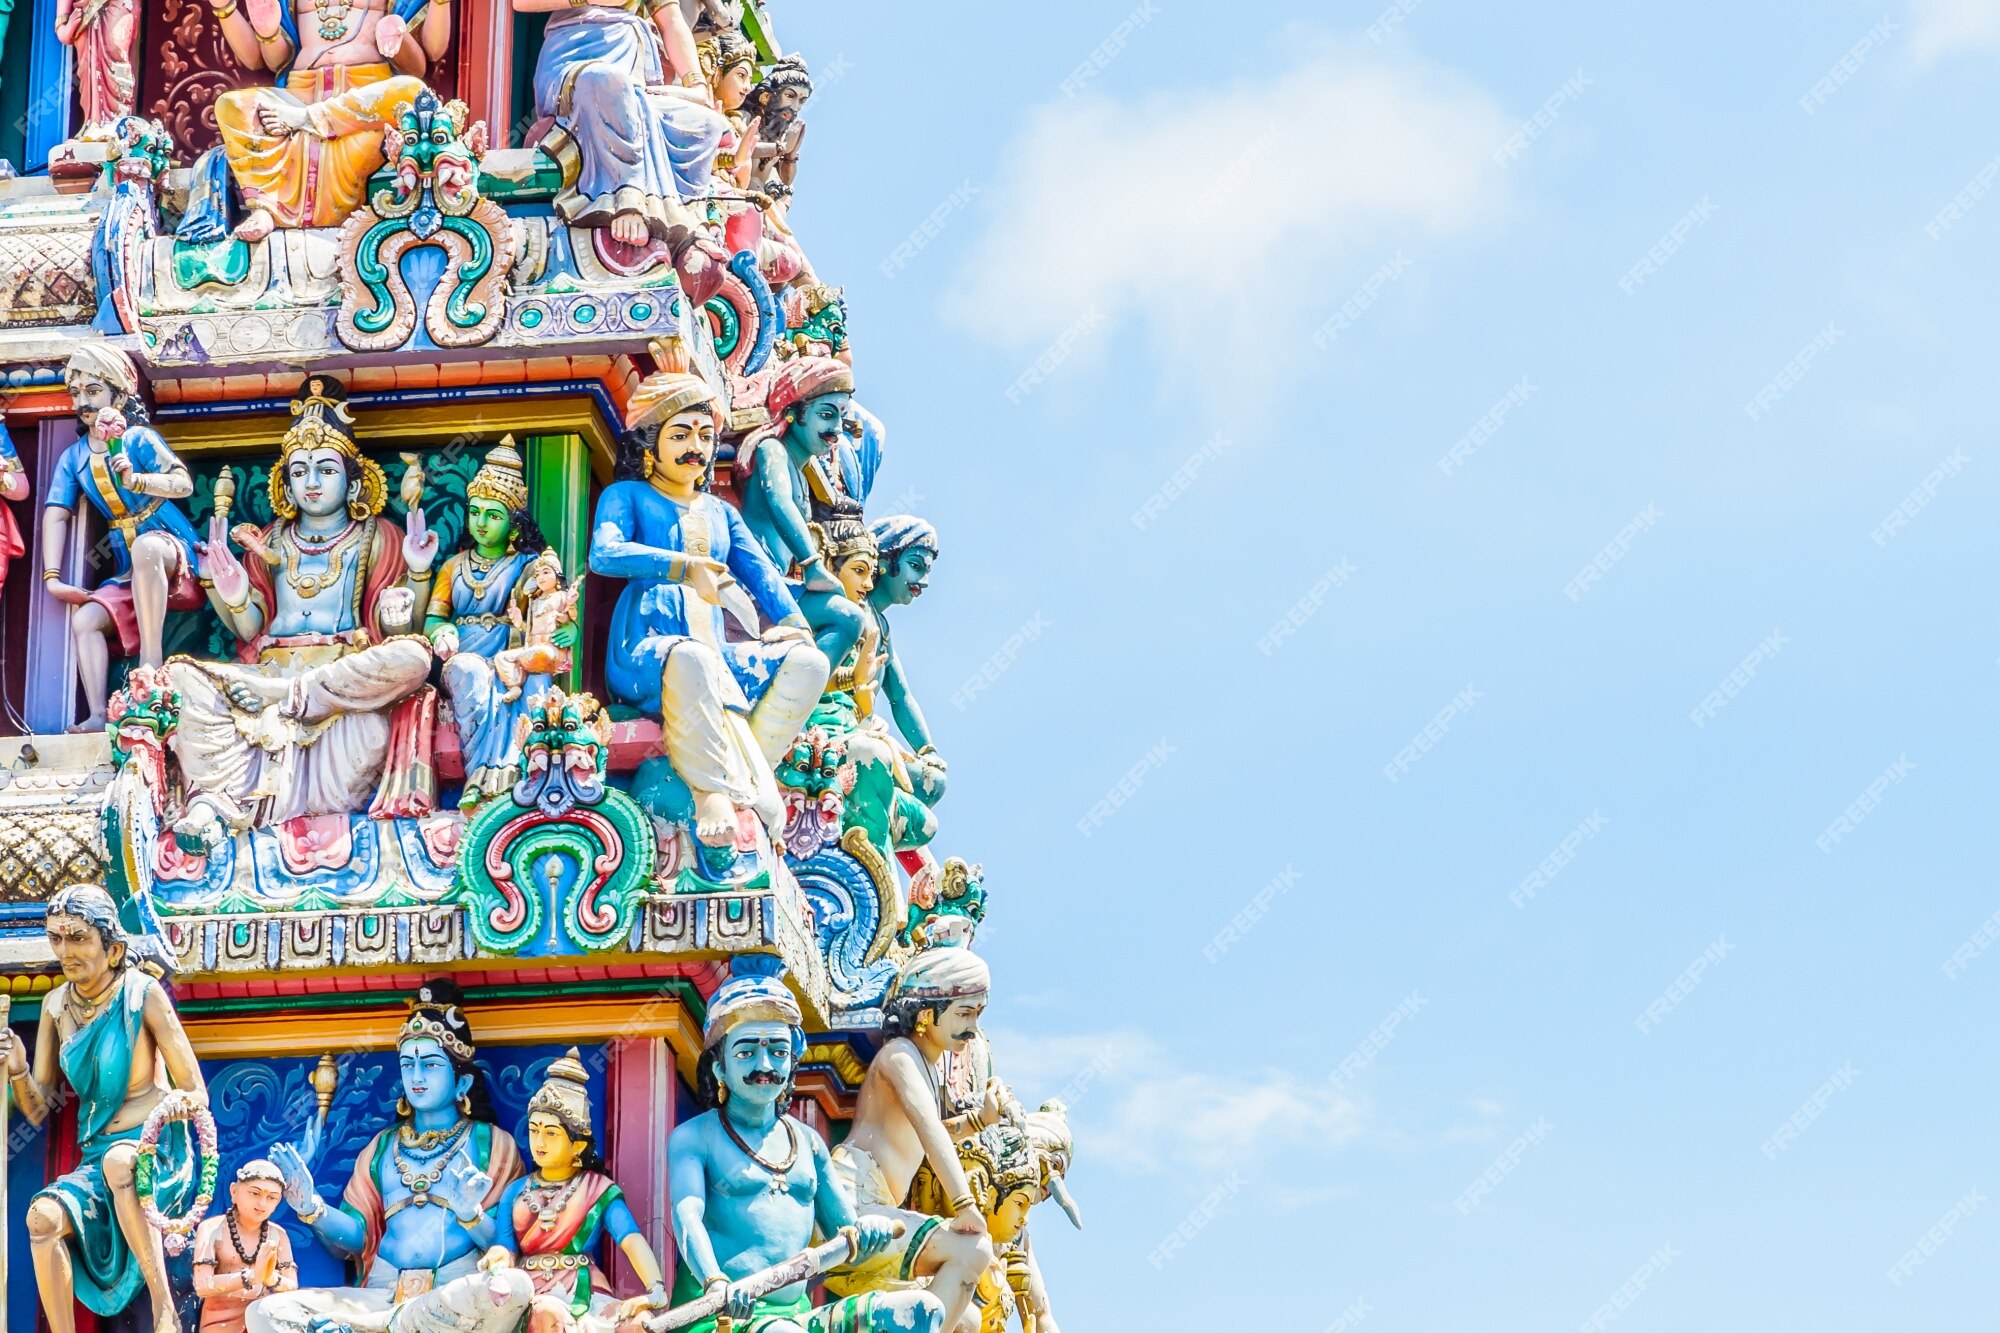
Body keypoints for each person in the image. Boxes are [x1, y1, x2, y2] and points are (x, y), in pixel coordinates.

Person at [166, 376, 437, 847]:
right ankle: (214, 805)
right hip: (267, 668)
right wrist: (230, 591)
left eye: (326, 470)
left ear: (354, 481)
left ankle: (289, 696)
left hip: (337, 688)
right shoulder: (270, 541)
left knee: (413, 657)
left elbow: (399, 633)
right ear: (285, 484)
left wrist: (416, 576)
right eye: (299, 472)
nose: (311, 483)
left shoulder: (378, 535)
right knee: (180, 680)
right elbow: (251, 628)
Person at [589, 367, 827, 847]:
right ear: (649, 446)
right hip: (648, 650)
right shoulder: (628, 496)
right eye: (679, 435)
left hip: (718, 653)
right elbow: (604, 553)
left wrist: (795, 626)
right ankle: (710, 792)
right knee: (690, 657)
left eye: (703, 435)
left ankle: (750, 770)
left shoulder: (720, 512)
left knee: (809, 662)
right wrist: (683, 567)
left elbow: (759, 573)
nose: (693, 446)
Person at [667, 967, 944, 1333]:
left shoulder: (809, 1143)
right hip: (722, 1317)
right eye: (747, 1052)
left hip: (796, 1315)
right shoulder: (695, 1137)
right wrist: (715, 1282)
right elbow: (687, 1218)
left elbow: (845, 1231)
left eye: (778, 1052)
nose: (765, 1066)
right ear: (719, 1067)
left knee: (920, 1310)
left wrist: (868, 1230)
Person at [250, 979, 526, 1329]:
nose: (417, 1077)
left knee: (514, 1288)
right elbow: (357, 1239)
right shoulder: (383, 1147)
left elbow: (506, 1245)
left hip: (450, 1296)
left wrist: (470, 1214)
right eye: (408, 1065)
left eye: (430, 1065)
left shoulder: (492, 1144)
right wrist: (312, 1207)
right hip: (380, 1296)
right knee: (266, 1312)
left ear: (462, 1083)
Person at [0, 886, 207, 1333]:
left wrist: (175, 1103)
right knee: (43, 1217)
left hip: (156, 1154)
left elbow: (195, 1091)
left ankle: (163, 1307)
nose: (65, 951)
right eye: (56, 938)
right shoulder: (56, 1005)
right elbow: (39, 1109)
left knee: (121, 1163)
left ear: (112, 948)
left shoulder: (143, 994)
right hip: (98, 1159)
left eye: (77, 938)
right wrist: (18, 1070)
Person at [823, 948, 998, 1332]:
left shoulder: (925, 1067)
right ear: (925, 1014)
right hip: (851, 1205)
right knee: (974, 1251)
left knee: (967, 1320)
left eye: (976, 1016)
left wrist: (980, 1120)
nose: (971, 1030)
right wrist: (966, 1206)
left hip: (880, 1208)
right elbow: (928, 1129)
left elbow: (931, 1132)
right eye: (963, 1014)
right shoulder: (899, 1056)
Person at [42, 343, 203, 731]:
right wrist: (53, 578)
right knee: (86, 620)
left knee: (147, 547)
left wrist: (138, 479)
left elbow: (182, 484)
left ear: (118, 394)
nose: (83, 401)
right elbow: (56, 513)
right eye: (76, 393)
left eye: (93, 391)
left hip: (168, 544)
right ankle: (98, 713)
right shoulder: (74, 456)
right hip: (127, 563)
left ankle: (152, 664)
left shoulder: (139, 440)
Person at [209, 0, 452, 239]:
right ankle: (264, 206)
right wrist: (266, 32)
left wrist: (399, 34)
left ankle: (308, 118)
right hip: (299, 91)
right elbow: (269, 61)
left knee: (411, 91)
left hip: (362, 99)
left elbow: (426, 58)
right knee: (232, 106)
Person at [512, 0, 729, 251]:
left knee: (705, 123)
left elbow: (671, 21)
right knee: (608, 82)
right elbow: (521, 3)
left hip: (632, 78)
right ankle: (625, 197)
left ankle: (689, 220)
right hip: (574, 62)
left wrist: (697, 86)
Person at [426, 441, 564, 808]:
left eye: (493, 514)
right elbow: (434, 619)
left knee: (533, 680)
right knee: (471, 672)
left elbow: (548, 611)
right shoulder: (453, 567)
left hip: (510, 650)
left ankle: (521, 773)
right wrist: (443, 631)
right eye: (475, 513)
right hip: (464, 654)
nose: (482, 523)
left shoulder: (527, 566)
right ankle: (480, 776)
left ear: (513, 522)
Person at [495, 1048, 669, 1329]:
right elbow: (503, 1247)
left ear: (578, 1144)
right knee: (546, 1313)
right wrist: (496, 1258)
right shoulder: (515, 1192)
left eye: (551, 1133)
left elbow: (630, 1239)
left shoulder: (597, 1189)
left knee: (640, 1323)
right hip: (527, 1293)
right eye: (534, 1129)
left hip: (585, 1294)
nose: (539, 1141)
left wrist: (655, 1290)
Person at [191, 1161, 299, 1333]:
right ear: (234, 1191)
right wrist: (253, 1276)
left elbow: (292, 1285)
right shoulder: (212, 1229)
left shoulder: (278, 1235)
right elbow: (202, 1285)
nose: (262, 1203)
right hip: (219, 1320)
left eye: (271, 1197)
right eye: (255, 1193)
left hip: (262, 1317)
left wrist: (270, 1278)